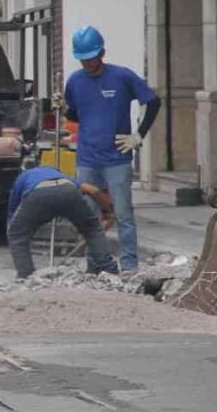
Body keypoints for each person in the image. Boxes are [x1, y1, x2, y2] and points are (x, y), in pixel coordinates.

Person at [64, 26, 161, 273]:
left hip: (116, 158)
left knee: (123, 213)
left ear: (102, 53)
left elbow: (153, 101)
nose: (88, 63)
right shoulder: (74, 81)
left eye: (91, 58)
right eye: (83, 59)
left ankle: (129, 264)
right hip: (87, 158)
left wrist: (139, 134)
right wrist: (62, 109)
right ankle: (94, 265)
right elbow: (74, 113)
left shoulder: (122, 77)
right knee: (89, 215)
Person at [6, 164, 119, 279]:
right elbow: (93, 190)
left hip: (37, 194)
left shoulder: (23, 177)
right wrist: (108, 211)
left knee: (17, 235)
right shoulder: (63, 177)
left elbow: (13, 214)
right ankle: (109, 269)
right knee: (92, 230)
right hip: (68, 192)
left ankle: (26, 276)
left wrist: (20, 228)